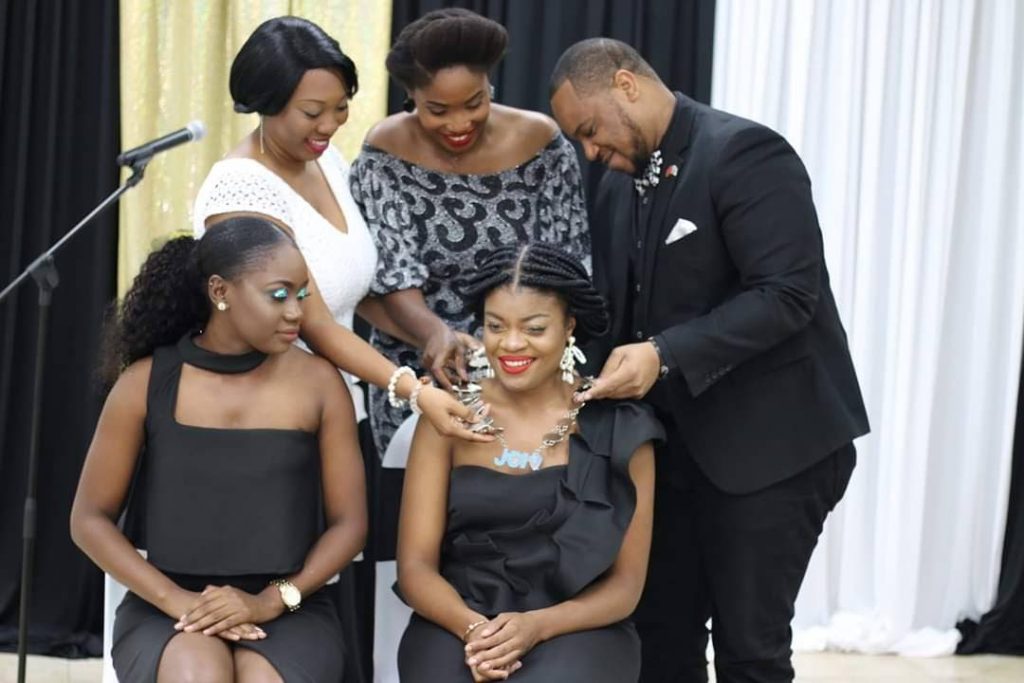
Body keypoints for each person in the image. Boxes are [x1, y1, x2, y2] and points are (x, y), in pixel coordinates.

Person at [549, 39, 870, 682]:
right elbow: (623, 317)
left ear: (626, 85)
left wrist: (665, 354)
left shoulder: (746, 154)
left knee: (749, 649)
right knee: (659, 639)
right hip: (669, 455)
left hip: (772, 449)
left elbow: (786, 294)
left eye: (589, 130)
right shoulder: (616, 186)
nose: (589, 152)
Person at [71, 217, 366, 682]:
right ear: (220, 291)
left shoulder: (320, 384)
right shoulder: (144, 384)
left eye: (301, 295)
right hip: (168, 606)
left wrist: (270, 600)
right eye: (278, 294)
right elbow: (88, 520)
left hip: (292, 606)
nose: (295, 312)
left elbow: (350, 525)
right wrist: (178, 602)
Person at [192, 15, 486, 445]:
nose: (329, 125)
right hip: (267, 423)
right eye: (313, 112)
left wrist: (435, 334)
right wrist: (415, 392)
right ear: (266, 103)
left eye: (340, 107)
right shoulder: (242, 189)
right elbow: (314, 322)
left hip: (335, 409)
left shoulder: (325, 161)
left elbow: (350, 288)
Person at [395, 243, 663, 682]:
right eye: (495, 326)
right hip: (456, 621)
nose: (512, 344)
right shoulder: (449, 419)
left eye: (534, 328)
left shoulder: (622, 428)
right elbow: (415, 568)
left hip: (578, 626)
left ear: (568, 326)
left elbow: (626, 587)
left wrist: (536, 627)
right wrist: (478, 633)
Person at [350, 8, 591, 456]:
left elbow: (569, 265)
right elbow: (392, 274)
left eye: (474, 103)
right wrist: (436, 335)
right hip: (423, 369)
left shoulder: (542, 145)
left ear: (490, 86)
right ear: (410, 96)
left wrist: (521, 355)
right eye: (437, 110)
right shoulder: (383, 154)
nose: (459, 124)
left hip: (527, 364)